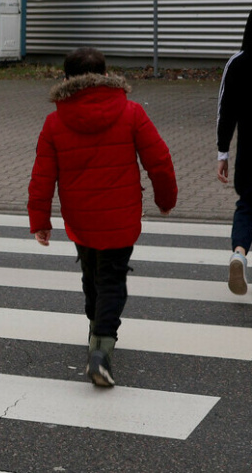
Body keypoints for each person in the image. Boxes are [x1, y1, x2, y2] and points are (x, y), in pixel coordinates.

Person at [28, 47, 177, 388]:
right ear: (106, 75)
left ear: (66, 80)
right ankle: (101, 348)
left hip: (80, 219)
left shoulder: (55, 121)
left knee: (91, 276)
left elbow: (42, 175)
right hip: (121, 217)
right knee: (112, 279)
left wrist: (40, 221)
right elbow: (160, 160)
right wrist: (165, 199)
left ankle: (94, 334)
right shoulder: (131, 111)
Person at [220, 11, 252, 295]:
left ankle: (239, 253)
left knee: (247, 205)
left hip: (249, 153)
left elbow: (226, 111)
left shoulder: (238, 63)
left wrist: (222, 152)